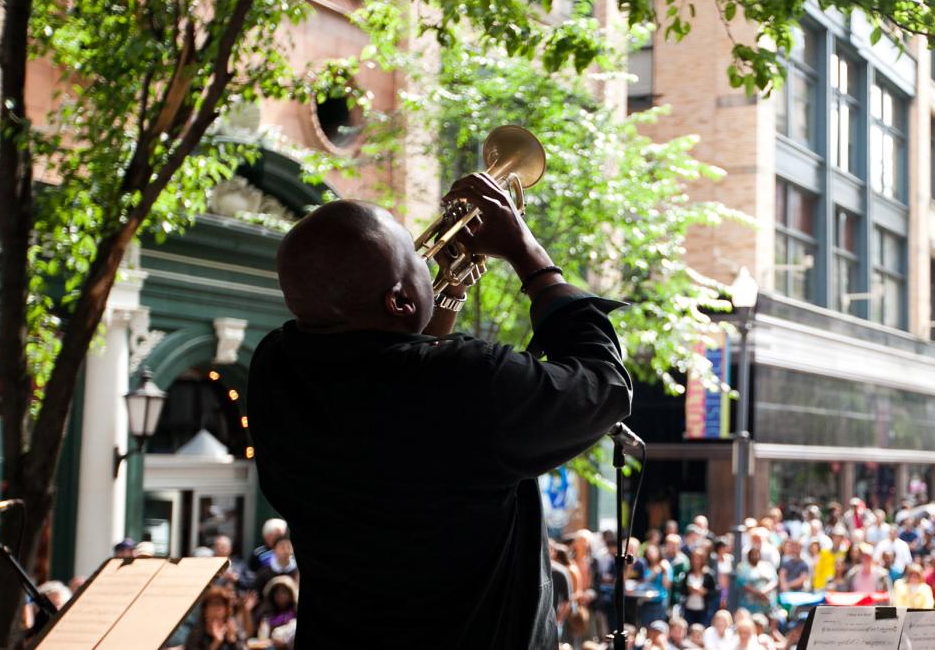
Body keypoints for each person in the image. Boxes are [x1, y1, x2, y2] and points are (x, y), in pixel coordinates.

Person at [247, 184, 632, 647]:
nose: (425, 257)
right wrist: (528, 254)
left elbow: (394, 387)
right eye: (415, 256)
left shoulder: (276, 369)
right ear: (401, 301)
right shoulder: (466, 380)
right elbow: (604, 385)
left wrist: (445, 297)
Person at [184, 586, 248, 650]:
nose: (215, 609)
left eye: (219, 604)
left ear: (226, 609)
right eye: (211, 605)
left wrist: (232, 641)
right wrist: (216, 643)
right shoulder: (197, 632)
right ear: (205, 610)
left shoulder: (233, 627)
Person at [252, 575, 298, 649]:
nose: (280, 595)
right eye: (277, 592)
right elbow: (262, 639)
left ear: (291, 595)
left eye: (283, 592)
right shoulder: (267, 616)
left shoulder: (295, 614)